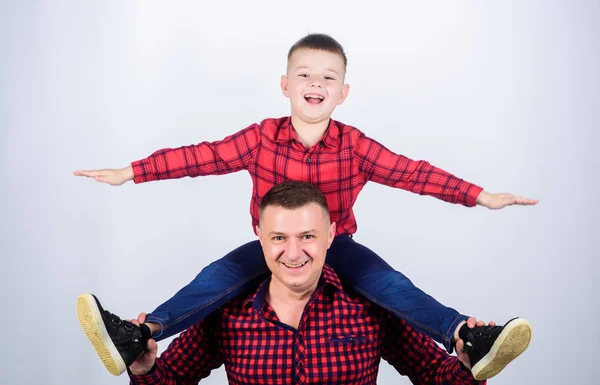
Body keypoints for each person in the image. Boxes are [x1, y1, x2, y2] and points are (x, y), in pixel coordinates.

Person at [75, 33, 535, 380]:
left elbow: (413, 173)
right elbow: (200, 157)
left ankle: (468, 334)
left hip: (339, 247)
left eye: (328, 78)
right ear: (285, 85)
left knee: (393, 287)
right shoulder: (259, 138)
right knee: (212, 280)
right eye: (305, 75)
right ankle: (141, 333)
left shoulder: (355, 147)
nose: (316, 83)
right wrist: (130, 172)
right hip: (268, 246)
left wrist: (480, 196)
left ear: (343, 92)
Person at [84, 181, 492, 385]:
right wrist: (145, 367)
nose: (293, 253)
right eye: (279, 238)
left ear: (332, 235)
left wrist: (472, 369)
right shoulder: (228, 311)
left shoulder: (370, 307)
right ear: (259, 236)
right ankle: (133, 336)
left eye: (308, 237)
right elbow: (168, 381)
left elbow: (439, 376)